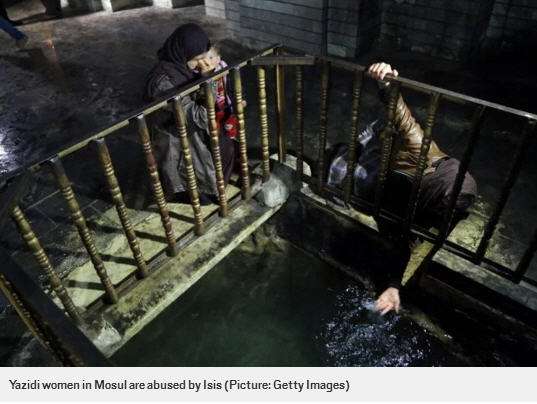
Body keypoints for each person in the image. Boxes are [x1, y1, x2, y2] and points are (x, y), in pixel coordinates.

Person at [327, 62, 477, 316]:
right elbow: (400, 113)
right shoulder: (421, 150)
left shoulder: (454, 202)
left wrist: (394, 286)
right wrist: (385, 81)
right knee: (339, 166)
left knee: (376, 205)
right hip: (388, 167)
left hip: (389, 195)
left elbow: (412, 243)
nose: (443, 213)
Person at [143, 23, 238, 205]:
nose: (203, 63)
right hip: (178, 141)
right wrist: (209, 79)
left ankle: (217, 189)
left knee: (226, 144)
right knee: (201, 193)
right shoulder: (163, 81)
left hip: (194, 131)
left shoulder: (184, 68)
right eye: (198, 59)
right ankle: (206, 191)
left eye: (205, 57)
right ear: (183, 53)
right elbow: (200, 117)